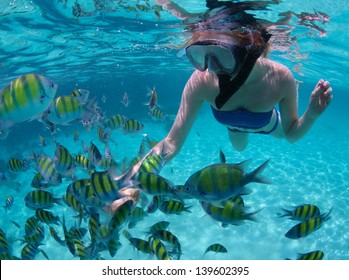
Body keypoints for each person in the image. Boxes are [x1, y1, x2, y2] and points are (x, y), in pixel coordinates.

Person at [131, 0, 333, 174]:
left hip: (268, 123)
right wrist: (132, 177)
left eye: (221, 56)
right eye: (202, 55)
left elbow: (291, 135)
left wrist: (312, 114)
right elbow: (172, 142)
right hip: (233, 128)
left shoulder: (280, 78)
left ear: (250, 51)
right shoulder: (201, 81)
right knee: (239, 150)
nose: (211, 68)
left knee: (278, 134)